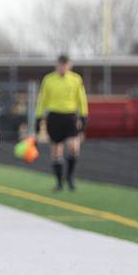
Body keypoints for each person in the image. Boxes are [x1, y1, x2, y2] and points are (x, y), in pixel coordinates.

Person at [34, 54, 88, 191]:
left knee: (73, 147)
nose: (63, 67)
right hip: (54, 117)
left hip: (70, 117)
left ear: (69, 65)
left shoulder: (76, 79)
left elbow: (81, 99)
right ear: (56, 65)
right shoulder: (49, 80)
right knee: (56, 150)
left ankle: (69, 177)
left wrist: (83, 117)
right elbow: (42, 100)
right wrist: (38, 118)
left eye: (65, 64)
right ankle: (59, 182)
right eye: (60, 64)